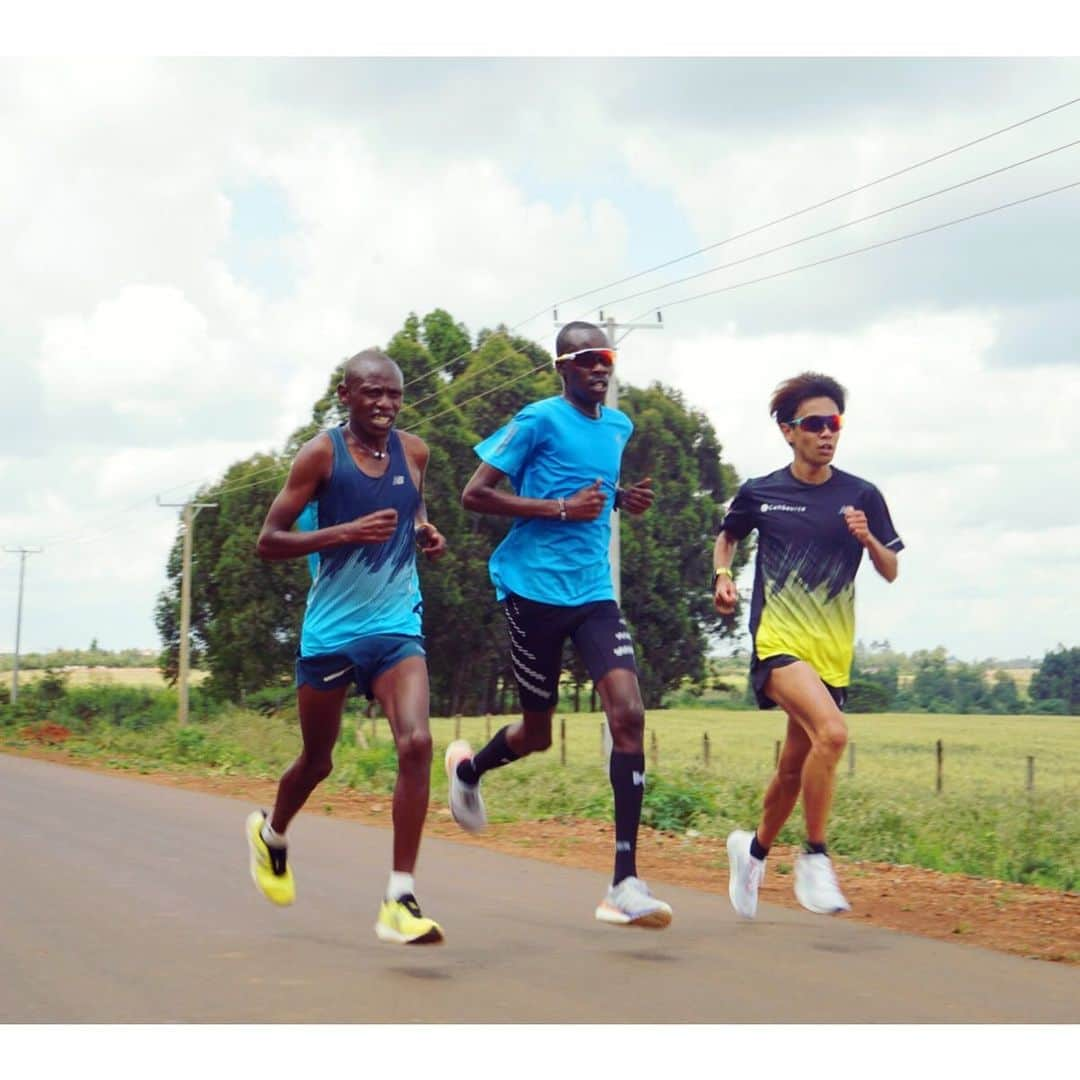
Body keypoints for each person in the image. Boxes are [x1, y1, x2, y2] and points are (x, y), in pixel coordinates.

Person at [447, 320, 672, 929]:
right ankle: (468, 771)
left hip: (593, 591)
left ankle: (624, 883)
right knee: (539, 733)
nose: (602, 368)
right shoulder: (537, 419)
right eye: (589, 359)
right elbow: (474, 494)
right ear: (563, 367)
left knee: (628, 713)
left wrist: (622, 499)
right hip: (530, 590)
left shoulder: (619, 427)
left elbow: (593, 483)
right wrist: (560, 509)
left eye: (608, 357)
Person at [247, 348, 448, 945]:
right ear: (345, 394)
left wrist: (423, 532)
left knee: (416, 743)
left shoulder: (415, 452)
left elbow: (412, 510)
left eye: (393, 395)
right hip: (332, 634)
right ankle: (272, 834)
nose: (384, 404)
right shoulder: (319, 455)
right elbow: (269, 540)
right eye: (371, 393)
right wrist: (342, 533)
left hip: (395, 628)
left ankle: (399, 898)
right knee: (317, 761)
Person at [712, 372, 903, 918]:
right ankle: (815, 857)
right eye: (814, 424)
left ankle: (752, 852)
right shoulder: (761, 492)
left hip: (831, 653)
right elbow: (728, 533)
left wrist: (868, 539)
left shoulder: (861, 494)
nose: (826, 433)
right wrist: (722, 575)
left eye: (834, 423)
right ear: (787, 431)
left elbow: (891, 569)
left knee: (795, 767)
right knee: (834, 733)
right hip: (778, 642)